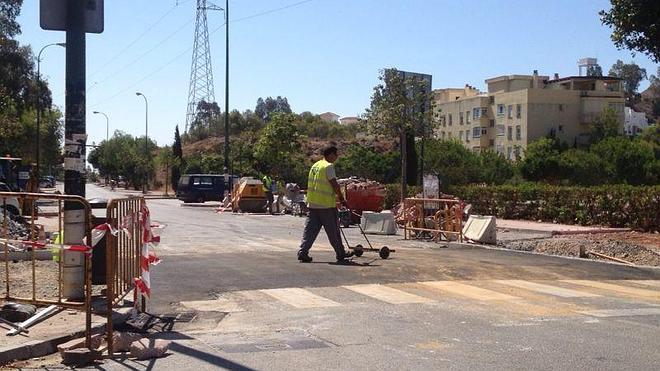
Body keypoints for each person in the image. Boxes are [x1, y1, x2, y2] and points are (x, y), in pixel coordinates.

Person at [297, 144, 354, 264]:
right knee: (334, 231)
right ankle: (341, 254)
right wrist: (342, 199)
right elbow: (334, 184)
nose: (337, 157)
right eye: (336, 154)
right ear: (331, 155)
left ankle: (303, 252)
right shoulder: (328, 167)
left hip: (312, 205)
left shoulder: (315, 166)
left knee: (310, 231)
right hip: (326, 205)